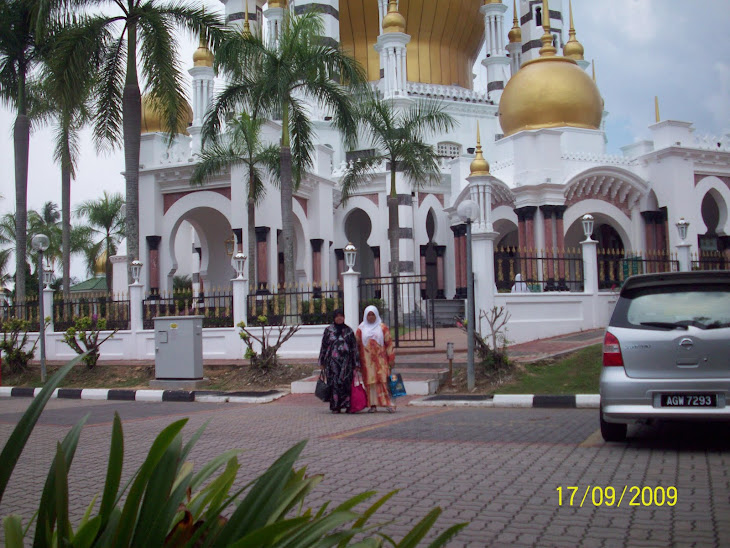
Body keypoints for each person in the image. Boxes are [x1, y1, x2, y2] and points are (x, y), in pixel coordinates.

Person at [318, 309, 360, 413]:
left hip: (346, 363)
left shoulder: (349, 331)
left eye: (341, 316)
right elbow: (324, 346)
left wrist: (356, 363)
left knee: (346, 383)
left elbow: (354, 348)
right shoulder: (329, 330)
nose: (339, 318)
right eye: (337, 316)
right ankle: (335, 406)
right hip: (332, 363)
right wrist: (322, 361)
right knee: (333, 384)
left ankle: (347, 405)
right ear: (334, 318)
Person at [356, 305, 396, 413]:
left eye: (373, 314)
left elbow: (389, 343)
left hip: (381, 360)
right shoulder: (361, 329)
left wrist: (391, 358)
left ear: (376, 315)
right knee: (370, 382)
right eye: (368, 315)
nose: (370, 317)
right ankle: (372, 405)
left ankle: (388, 404)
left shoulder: (382, 327)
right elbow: (356, 345)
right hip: (367, 361)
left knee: (383, 380)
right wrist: (357, 362)